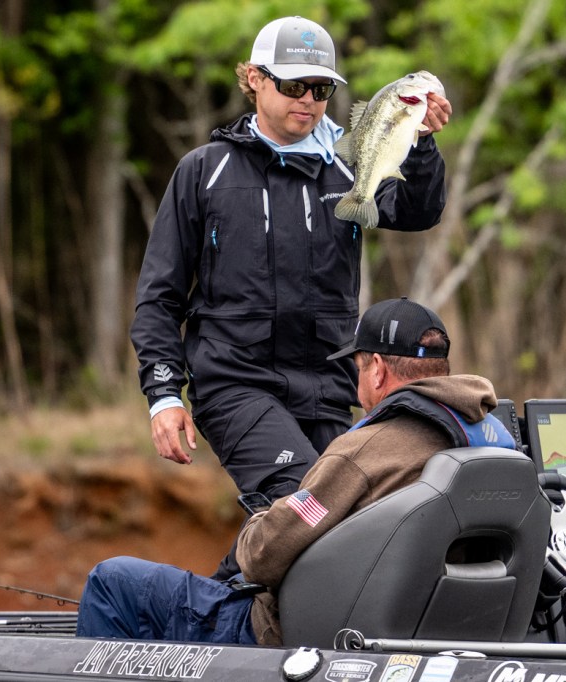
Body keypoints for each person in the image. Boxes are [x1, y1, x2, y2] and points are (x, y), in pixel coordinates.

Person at [129, 15, 453, 579]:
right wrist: (163, 395)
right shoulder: (203, 171)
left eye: (321, 89)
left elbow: (417, 211)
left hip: (328, 389)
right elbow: (159, 296)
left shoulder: (349, 165)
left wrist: (421, 142)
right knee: (310, 504)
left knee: (359, 517)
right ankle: (211, 611)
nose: (308, 100)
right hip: (234, 384)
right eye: (293, 85)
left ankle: (221, 601)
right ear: (254, 79)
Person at [78, 298, 517, 645]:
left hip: (294, 635)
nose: (357, 386)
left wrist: (259, 521)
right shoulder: (496, 443)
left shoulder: (363, 451)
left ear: (378, 371)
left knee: (112, 581)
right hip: (431, 632)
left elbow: (263, 555)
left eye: (358, 368)